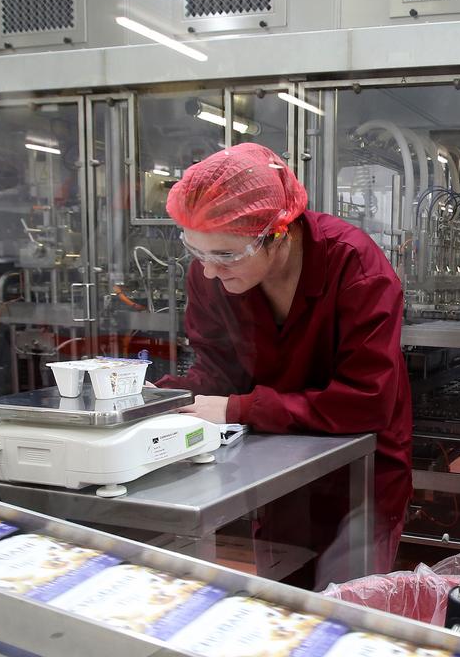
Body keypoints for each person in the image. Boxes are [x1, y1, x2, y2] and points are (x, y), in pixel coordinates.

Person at [157, 143, 412, 581]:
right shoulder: (213, 276)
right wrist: (160, 400)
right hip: (275, 466)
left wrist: (240, 409)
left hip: (359, 475)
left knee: (348, 608)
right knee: (282, 596)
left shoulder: (354, 266)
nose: (210, 271)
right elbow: (217, 372)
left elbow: (366, 401)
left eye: (225, 255)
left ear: (278, 233)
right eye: (197, 253)